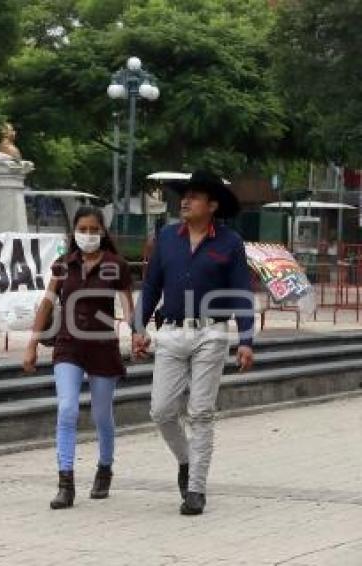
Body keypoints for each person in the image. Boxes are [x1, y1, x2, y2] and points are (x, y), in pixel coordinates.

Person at [131, 170, 255, 516]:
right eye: (184, 196)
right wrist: (138, 328)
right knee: (161, 410)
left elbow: (241, 292)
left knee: (201, 412)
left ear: (212, 205)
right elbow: (151, 286)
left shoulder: (230, 243)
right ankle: (186, 461)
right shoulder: (167, 237)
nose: (185, 201)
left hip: (211, 334)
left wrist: (245, 339)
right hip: (170, 332)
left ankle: (196, 489)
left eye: (195, 196)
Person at [25, 206, 135, 510]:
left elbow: (128, 309)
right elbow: (46, 306)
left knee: (102, 415)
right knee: (67, 410)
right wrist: (32, 344)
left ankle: (104, 468)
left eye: (93, 229)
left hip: (102, 347)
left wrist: (137, 333)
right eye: (82, 229)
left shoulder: (117, 265)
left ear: (103, 232)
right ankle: (65, 482)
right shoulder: (63, 265)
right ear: (74, 232)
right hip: (68, 347)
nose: (88, 235)